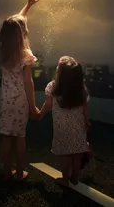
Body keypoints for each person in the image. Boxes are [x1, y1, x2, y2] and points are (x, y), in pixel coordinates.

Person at [0, 0, 40, 182]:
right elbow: (28, 83)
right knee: (20, 137)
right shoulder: (25, 54)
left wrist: (28, 6)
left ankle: (7, 172)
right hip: (21, 102)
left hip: (6, 101)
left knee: (7, 137)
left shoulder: (3, 50)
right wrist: (32, 106)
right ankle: (21, 173)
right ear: (22, 33)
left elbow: (15, 22)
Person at [39, 56, 89, 187]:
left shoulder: (52, 86)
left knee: (64, 153)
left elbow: (48, 104)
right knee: (76, 153)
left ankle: (65, 179)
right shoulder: (80, 88)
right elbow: (85, 107)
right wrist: (87, 121)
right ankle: (75, 177)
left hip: (62, 128)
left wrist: (40, 113)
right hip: (78, 126)